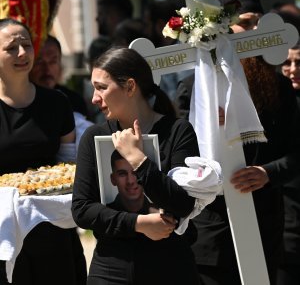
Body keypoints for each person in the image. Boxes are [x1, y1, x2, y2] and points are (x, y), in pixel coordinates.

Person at [175, 0, 300, 285]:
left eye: (258, 22)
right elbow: (180, 157)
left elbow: (296, 152)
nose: (253, 31)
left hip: (265, 221)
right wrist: (206, 128)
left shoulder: (278, 86)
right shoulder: (194, 89)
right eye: (246, 23)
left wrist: (267, 172)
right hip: (212, 229)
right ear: (224, 28)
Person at [71, 47, 201, 285]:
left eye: (102, 87)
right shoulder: (94, 136)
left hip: (170, 266)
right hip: (111, 268)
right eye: (94, 88)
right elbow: (82, 210)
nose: (94, 98)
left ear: (130, 87)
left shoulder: (178, 131)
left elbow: (183, 203)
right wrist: (138, 224)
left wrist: (138, 160)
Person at [0, 18, 87, 285]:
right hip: (2, 230)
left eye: (26, 45)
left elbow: (68, 164)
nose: (22, 54)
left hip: (52, 226)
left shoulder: (56, 103)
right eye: (12, 48)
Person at [30, 34, 93, 150]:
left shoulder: (73, 100)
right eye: (39, 61)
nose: (47, 69)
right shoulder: (23, 100)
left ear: (60, 64)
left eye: (53, 61)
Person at [276, 43, 300, 285]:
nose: (292, 70)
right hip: (286, 224)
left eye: (299, 63)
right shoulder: (272, 103)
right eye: (286, 63)